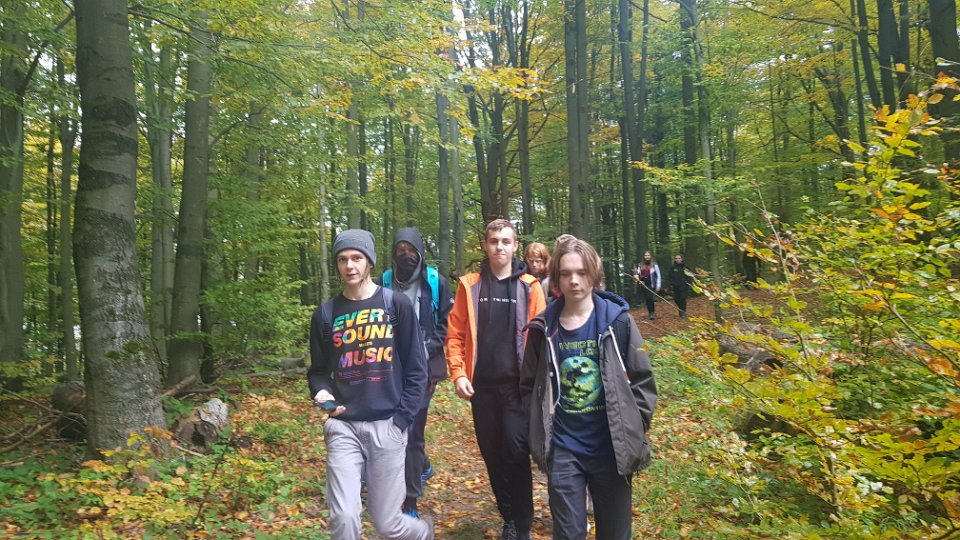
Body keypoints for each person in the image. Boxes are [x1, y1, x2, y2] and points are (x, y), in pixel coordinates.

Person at [520, 236, 657, 540]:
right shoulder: (543, 328)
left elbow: (643, 378)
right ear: (556, 278)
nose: (574, 280)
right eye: (566, 273)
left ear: (594, 275)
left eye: (582, 273)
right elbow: (528, 385)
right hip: (564, 449)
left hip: (611, 449)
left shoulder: (618, 323)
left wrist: (634, 425)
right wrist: (537, 430)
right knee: (568, 534)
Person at [308, 229, 434, 540]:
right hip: (343, 427)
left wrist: (401, 421)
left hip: (387, 426)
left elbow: (417, 370)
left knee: (388, 524)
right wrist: (321, 391)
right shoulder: (325, 315)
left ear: (369, 262)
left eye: (356, 258)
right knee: (344, 517)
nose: (349, 266)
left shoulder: (396, 306)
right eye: (342, 259)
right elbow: (319, 371)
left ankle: (423, 533)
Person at [446, 219, 547, 540]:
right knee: (493, 455)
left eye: (505, 241)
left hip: (518, 388)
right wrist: (458, 373)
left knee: (516, 451)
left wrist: (541, 385)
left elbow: (543, 338)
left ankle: (523, 524)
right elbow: (455, 334)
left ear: (515, 246)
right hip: (482, 389)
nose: (499, 247)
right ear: (485, 245)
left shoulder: (530, 287)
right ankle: (509, 519)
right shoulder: (470, 286)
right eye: (494, 241)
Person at [380, 228, 453, 518]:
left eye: (411, 250)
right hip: (391, 365)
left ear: (421, 252)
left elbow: (446, 323)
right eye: (401, 250)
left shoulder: (435, 283)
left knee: (412, 431)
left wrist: (426, 348)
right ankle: (422, 465)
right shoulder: (384, 281)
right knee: (396, 423)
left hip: (424, 368)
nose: (406, 255)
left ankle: (409, 501)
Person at [632, 251, 661, 320]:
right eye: (646, 255)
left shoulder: (654, 264)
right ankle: (650, 312)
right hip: (643, 283)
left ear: (650, 256)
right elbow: (638, 273)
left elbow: (658, 275)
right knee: (647, 299)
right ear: (644, 256)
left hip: (651, 283)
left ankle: (652, 313)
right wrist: (636, 276)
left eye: (648, 255)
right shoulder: (640, 264)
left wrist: (658, 285)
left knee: (650, 297)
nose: (647, 256)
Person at [668, 254, 694, 319]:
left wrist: (687, 283)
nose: (677, 259)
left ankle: (683, 312)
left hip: (684, 287)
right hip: (676, 287)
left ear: (682, 259)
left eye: (679, 258)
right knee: (676, 299)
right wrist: (672, 284)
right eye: (676, 258)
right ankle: (680, 309)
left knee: (683, 299)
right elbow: (670, 277)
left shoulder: (685, 267)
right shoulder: (673, 267)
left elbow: (690, 276)